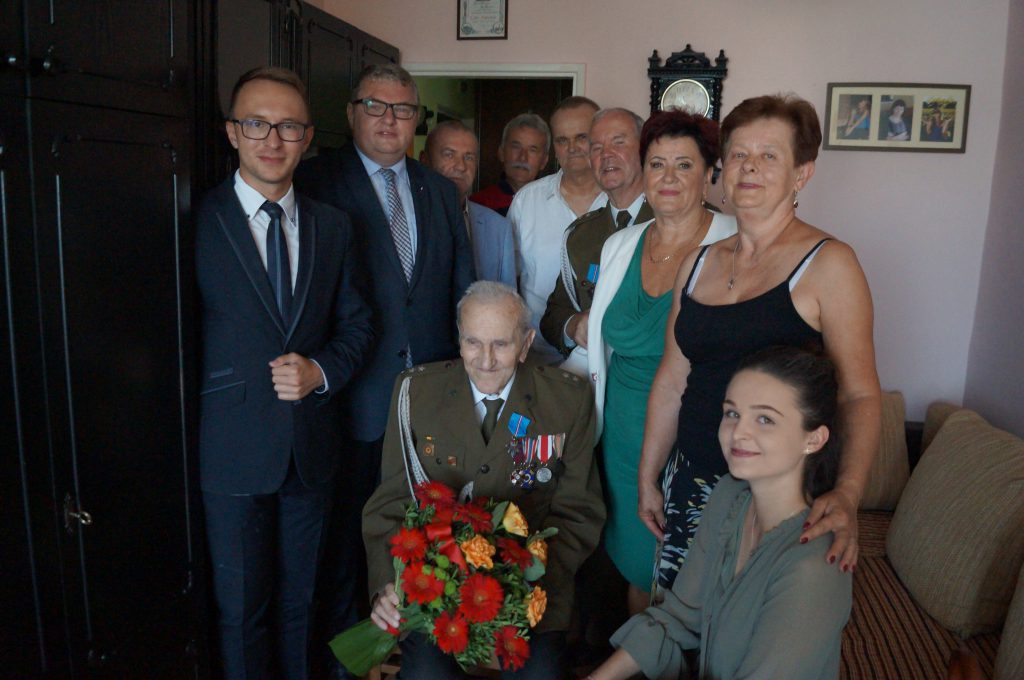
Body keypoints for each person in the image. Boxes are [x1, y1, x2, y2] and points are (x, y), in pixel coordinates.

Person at [638, 94, 881, 590]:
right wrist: (649, 474)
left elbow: (859, 394)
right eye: (739, 154)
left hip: (775, 497)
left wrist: (849, 493)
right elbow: (672, 380)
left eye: (769, 155)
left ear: (801, 173)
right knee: (679, 617)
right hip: (691, 480)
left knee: (748, 626)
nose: (749, 167)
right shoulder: (697, 263)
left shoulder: (830, 264)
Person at [293, 63, 475, 676]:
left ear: (416, 120)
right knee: (348, 542)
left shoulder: (439, 190)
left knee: (427, 536)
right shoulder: (314, 182)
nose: (390, 120)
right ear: (352, 113)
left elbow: (462, 290)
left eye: (403, 109)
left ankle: (416, 652)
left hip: (430, 405)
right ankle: (350, 661)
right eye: (376, 106)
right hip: (352, 400)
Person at [197, 66, 373, 680]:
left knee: (303, 604)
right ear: (232, 133)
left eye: (288, 126)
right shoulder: (196, 219)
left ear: (308, 137)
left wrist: (320, 371)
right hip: (230, 453)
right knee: (241, 612)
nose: (272, 140)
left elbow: (358, 327)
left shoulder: (333, 226)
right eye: (257, 124)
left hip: (310, 451)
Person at [363, 281, 606, 679]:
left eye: (501, 344)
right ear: (459, 341)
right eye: (473, 343)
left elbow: (579, 511)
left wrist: (524, 579)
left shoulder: (567, 401)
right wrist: (389, 584)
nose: (486, 360)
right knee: (427, 675)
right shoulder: (414, 393)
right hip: (434, 582)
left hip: (530, 588)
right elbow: (390, 503)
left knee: (540, 675)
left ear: (526, 344)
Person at [587, 346, 853, 680]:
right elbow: (677, 619)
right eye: (732, 413)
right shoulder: (730, 496)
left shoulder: (812, 568)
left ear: (813, 439)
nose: (738, 432)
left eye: (765, 419)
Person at [585, 111, 736, 613]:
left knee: (695, 573)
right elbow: (599, 348)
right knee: (638, 564)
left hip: (701, 434)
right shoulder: (620, 245)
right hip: (624, 435)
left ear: (709, 174)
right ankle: (642, 652)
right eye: (656, 164)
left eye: (684, 165)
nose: (668, 177)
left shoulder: (737, 243)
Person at [539, 108, 655, 375]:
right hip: (594, 380)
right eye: (596, 147)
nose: (606, 154)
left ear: (644, 149)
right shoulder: (581, 235)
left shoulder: (676, 221)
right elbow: (553, 316)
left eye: (618, 142)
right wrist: (574, 326)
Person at [509, 97, 606, 364]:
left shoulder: (623, 201)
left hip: (609, 358)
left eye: (581, 137)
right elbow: (508, 281)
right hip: (538, 357)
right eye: (562, 140)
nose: (572, 148)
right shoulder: (527, 201)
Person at [421, 120, 516, 287]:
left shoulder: (499, 228)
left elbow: (507, 296)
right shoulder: (405, 218)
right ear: (425, 160)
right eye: (449, 154)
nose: (461, 166)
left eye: (468, 157)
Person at [471, 113, 551, 216]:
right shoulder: (477, 206)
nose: (523, 157)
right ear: (501, 153)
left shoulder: (554, 207)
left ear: (544, 161)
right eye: (516, 147)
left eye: (532, 150)